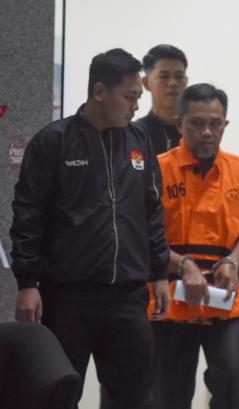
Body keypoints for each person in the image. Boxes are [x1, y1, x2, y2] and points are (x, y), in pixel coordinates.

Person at [10, 48, 170, 409]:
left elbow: (151, 209)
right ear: (100, 91)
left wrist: (160, 272)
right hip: (67, 297)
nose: (136, 107)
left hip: (128, 297)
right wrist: (27, 283)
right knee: (58, 395)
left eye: (138, 98)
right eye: (129, 97)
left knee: (134, 397)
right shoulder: (53, 141)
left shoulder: (139, 141)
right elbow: (28, 216)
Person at [148, 83, 239, 409]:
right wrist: (183, 265)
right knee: (168, 392)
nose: (207, 132)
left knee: (233, 376)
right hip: (171, 296)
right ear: (179, 124)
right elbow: (144, 235)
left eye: (215, 123)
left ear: (225, 124)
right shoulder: (156, 171)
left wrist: (232, 261)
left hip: (226, 296)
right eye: (197, 123)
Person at [137, 44, 189, 154]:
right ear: (146, 83)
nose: (173, 83)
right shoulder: (135, 135)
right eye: (164, 76)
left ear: (186, 81)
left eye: (179, 76)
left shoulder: (195, 133)